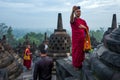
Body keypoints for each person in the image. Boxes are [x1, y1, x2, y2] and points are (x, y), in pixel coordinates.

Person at [70, 6, 89, 70]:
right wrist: (72, 11)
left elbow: (87, 29)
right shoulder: (74, 20)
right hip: (76, 41)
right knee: (76, 52)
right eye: (77, 11)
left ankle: (81, 64)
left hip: (82, 40)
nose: (78, 12)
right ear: (75, 13)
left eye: (79, 11)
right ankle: (76, 65)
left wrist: (84, 27)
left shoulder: (83, 21)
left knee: (81, 53)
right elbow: (71, 19)